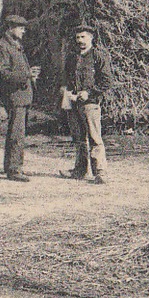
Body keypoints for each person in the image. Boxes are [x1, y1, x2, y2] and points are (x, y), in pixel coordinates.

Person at [60, 23, 110, 183]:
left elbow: (106, 81)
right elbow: (66, 78)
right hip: (73, 103)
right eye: (77, 37)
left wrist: (89, 92)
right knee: (79, 138)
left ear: (91, 38)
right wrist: (65, 91)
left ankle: (100, 172)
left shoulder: (98, 56)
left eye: (83, 37)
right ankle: (80, 170)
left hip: (90, 104)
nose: (80, 40)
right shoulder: (72, 57)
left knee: (95, 137)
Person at [0, 14, 37, 181]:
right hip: (14, 95)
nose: (24, 31)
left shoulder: (16, 45)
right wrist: (26, 75)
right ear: (11, 28)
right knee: (17, 133)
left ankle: (11, 165)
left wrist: (29, 76)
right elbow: (4, 73)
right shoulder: (1, 47)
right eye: (21, 27)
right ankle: (15, 170)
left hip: (22, 95)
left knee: (17, 132)